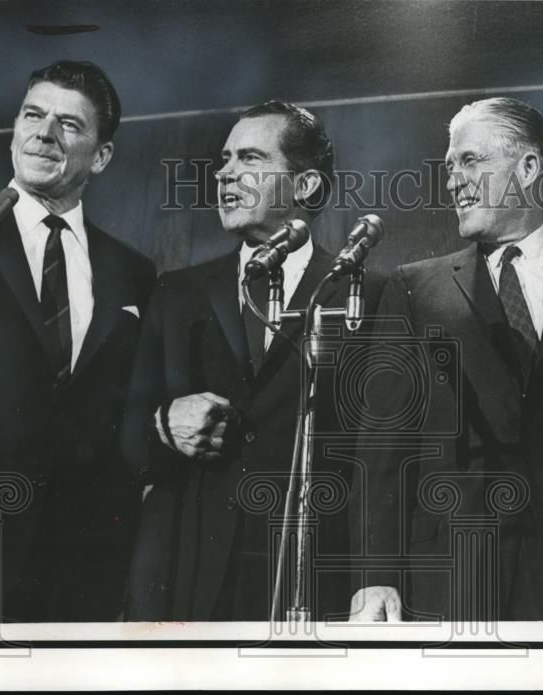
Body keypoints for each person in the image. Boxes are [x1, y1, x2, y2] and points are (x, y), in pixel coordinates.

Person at [350, 97, 543, 622]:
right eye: (450, 167)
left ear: (528, 168)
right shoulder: (413, 288)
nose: (455, 181)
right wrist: (376, 576)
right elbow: (382, 446)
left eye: (471, 161)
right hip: (453, 572)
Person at [122, 101, 384, 621]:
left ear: (306, 186)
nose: (225, 174)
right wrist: (162, 425)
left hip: (309, 576)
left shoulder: (368, 295)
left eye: (249, 158)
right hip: (188, 572)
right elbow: (127, 439)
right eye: (224, 160)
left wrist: (373, 577)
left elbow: (381, 458)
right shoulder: (176, 295)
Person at [0, 60, 156, 622]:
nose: (43, 134)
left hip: (86, 563)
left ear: (102, 155)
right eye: (33, 114)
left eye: (69, 124)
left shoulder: (132, 272)